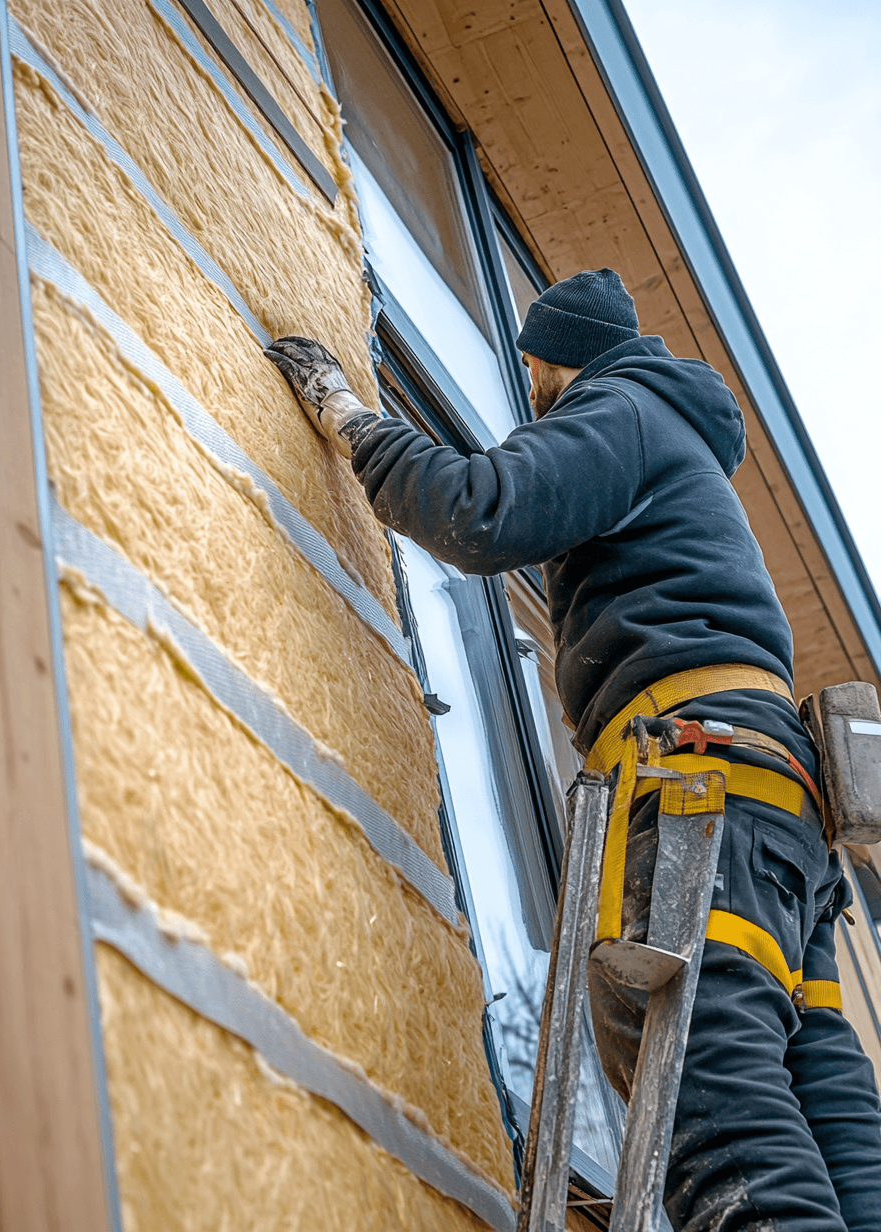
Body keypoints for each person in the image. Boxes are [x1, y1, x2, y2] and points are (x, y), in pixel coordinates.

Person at [265, 269, 881, 1230]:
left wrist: (350, 415)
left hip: (701, 788)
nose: (534, 398)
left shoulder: (618, 410)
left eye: (533, 379)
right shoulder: (684, 443)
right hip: (780, 819)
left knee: (709, 1096)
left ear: (549, 363)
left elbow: (479, 508)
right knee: (822, 1089)